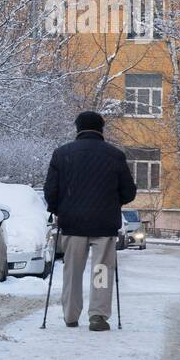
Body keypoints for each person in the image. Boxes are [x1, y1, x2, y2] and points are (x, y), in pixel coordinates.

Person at [43, 111, 137, 330]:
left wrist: (58, 209)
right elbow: (129, 192)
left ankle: (70, 315)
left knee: (72, 271)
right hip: (104, 223)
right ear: (101, 129)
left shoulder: (62, 154)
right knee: (101, 270)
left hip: (72, 222)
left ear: (78, 128)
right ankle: (98, 316)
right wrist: (113, 202)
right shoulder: (115, 155)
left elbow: (50, 191)